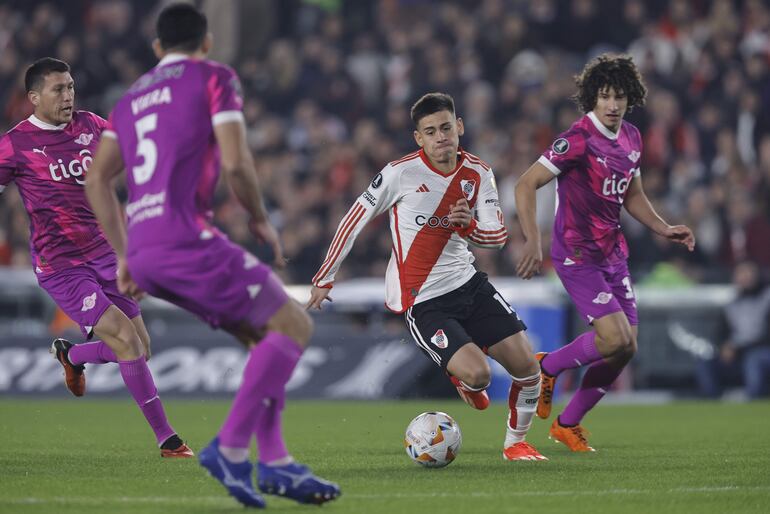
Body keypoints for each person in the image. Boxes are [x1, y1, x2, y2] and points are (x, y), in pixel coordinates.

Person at [84, 3, 339, 508]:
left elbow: (97, 179)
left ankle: (277, 462)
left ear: (156, 48)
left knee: (262, 335)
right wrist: (260, 217)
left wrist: (125, 256)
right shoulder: (213, 76)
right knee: (295, 326)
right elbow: (238, 163)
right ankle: (229, 449)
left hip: (147, 252)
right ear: (205, 43)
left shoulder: (129, 98)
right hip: (186, 238)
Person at [308, 92, 547, 462]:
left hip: (469, 284)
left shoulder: (479, 173)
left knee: (529, 368)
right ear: (419, 138)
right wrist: (325, 277)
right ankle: (464, 378)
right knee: (480, 375)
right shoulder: (399, 173)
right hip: (423, 301)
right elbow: (352, 220)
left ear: (460, 127)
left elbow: (498, 237)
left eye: (447, 128)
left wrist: (469, 228)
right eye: (431, 131)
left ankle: (515, 443)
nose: (441, 138)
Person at [0, 57, 192, 458]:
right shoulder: (15, 144)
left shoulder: (90, 125)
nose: (68, 95)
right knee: (125, 340)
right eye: (58, 89)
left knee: (140, 346)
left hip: (107, 255)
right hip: (63, 265)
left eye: (70, 87)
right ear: (34, 98)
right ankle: (169, 441)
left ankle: (71, 354)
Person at [514, 54, 695, 451]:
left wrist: (664, 228)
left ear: (630, 98)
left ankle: (567, 423)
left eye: (619, 97)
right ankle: (547, 367)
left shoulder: (631, 136)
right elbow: (526, 184)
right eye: (605, 96)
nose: (612, 104)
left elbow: (633, 195)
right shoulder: (577, 138)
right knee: (612, 338)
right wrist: (532, 239)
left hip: (613, 254)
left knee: (626, 347)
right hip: (577, 255)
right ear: (592, 98)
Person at [696, 260, 770, 399]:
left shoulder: (766, 299)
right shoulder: (732, 305)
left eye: (749, 272)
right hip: (737, 354)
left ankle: (754, 400)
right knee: (705, 360)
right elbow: (720, 334)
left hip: (761, 350)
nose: (745, 277)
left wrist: (738, 347)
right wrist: (724, 347)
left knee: (755, 359)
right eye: (741, 273)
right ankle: (712, 405)